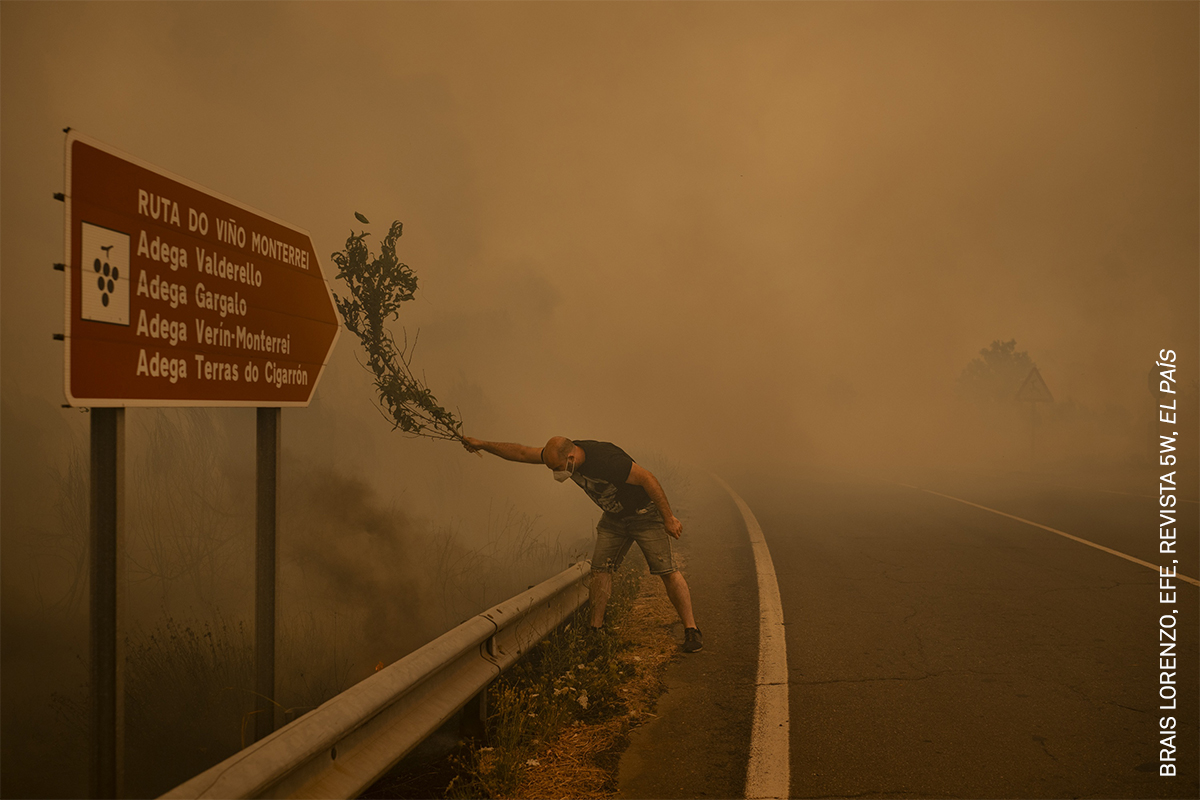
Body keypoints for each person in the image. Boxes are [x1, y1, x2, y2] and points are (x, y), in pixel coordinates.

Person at [461, 435, 703, 653]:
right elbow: (522, 452)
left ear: (571, 457)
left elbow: (648, 479)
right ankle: (595, 631)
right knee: (600, 570)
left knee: (667, 571)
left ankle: (691, 630)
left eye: (557, 468)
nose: (555, 473)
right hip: (614, 519)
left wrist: (668, 518)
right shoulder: (557, 452)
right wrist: (482, 444)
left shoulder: (607, 460)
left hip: (644, 515)